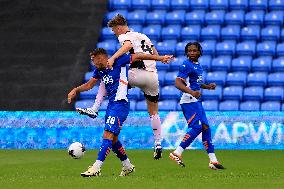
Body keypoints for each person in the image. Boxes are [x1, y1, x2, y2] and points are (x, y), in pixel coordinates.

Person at [68, 48, 173, 177]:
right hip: (111, 105)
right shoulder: (99, 71)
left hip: (121, 104)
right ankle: (127, 166)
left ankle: (96, 167)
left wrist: (160, 58)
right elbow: (89, 85)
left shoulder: (118, 61)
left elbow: (138, 55)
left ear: (101, 57)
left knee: (107, 135)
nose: (92, 62)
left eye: (93, 59)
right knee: (113, 140)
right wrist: (76, 90)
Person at [76, 14, 166, 160]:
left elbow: (128, 46)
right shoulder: (143, 36)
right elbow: (154, 53)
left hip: (137, 73)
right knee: (153, 112)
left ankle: (95, 108)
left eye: (114, 30)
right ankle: (158, 143)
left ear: (118, 28)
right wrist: (161, 59)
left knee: (107, 76)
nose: (114, 33)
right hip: (152, 77)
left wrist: (113, 58)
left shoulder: (124, 36)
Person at [169, 42, 225, 170]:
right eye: (189, 51)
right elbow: (178, 83)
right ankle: (177, 152)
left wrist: (207, 86)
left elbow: (195, 83)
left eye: (195, 51)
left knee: (206, 128)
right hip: (189, 100)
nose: (192, 53)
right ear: (186, 53)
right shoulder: (186, 64)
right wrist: (191, 92)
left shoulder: (198, 66)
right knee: (198, 126)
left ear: (200, 52)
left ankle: (213, 161)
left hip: (195, 100)